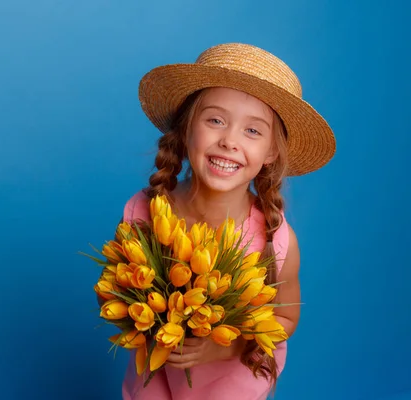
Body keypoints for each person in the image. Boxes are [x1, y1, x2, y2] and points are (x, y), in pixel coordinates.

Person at [119, 43, 336, 399]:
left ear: (270, 153)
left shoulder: (275, 240)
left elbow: (285, 319)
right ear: (186, 129)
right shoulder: (143, 212)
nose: (229, 141)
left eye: (253, 131)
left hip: (230, 383)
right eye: (215, 120)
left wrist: (221, 347)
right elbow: (116, 289)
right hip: (155, 376)